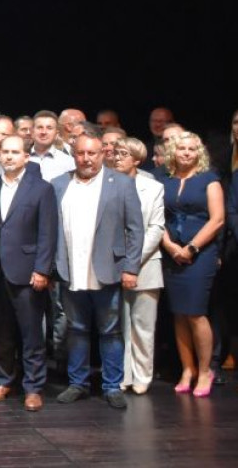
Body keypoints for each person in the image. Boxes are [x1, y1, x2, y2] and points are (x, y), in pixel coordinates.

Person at [52, 134, 143, 410]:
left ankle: (112, 385)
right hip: (71, 270)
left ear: (103, 153)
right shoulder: (59, 184)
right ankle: (77, 383)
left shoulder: (122, 184)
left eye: (92, 153)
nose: (87, 158)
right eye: (81, 153)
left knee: (110, 330)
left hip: (107, 270)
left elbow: (135, 230)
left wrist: (130, 267)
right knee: (76, 329)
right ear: (74, 154)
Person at [0, 135, 57, 412]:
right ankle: (4, 381)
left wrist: (42, 269)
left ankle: (33, 387)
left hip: (26, 272)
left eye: (16, 152)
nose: (10, 156)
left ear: (27, 157)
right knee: (0, 332)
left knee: (31, 333)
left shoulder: (41, 189)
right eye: (5, 152)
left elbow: (48, 234)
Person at [158, 131, 225, 397]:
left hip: (200, 253)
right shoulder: (165, 180)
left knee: (195, 312)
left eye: (192, 149)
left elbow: (218, 219)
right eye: (182, 148)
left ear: (200, 153)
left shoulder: (209, 179)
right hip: (173, 252)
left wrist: (193, 247)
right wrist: (170, 246)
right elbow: (156, 216)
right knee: (179, 312)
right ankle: (187, 369)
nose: (187, 152)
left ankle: (206, 369)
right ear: (174, 151)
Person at [113, 137, 165, 395]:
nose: (117, 157)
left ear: (136, 159)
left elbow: (156, 228)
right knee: (120, 325)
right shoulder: (109, 183)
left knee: (143, 325)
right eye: (116, 153)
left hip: (145, 263)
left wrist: (133, 260)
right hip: (114, 263)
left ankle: (143, 374)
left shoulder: (152, 187)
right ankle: (124, 375)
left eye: (124, 153)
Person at [29, 110, 75, 181]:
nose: (44, 132)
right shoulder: (21, 159)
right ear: (32, 132)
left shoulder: (69, 162)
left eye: (49, 128)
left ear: (56, 134)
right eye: (40, 127)